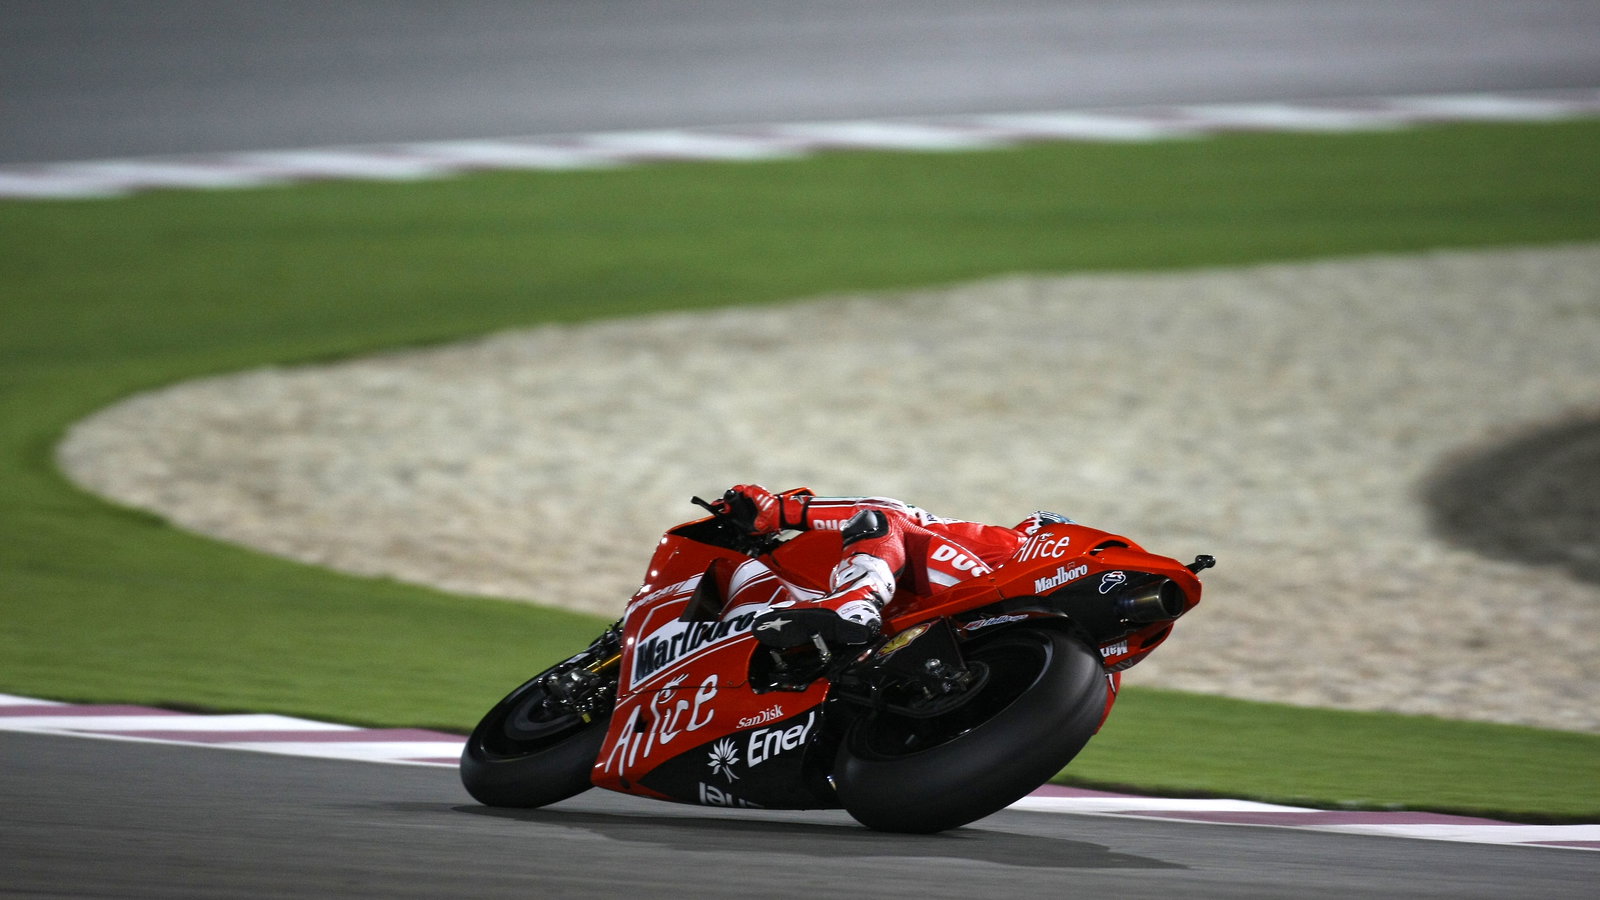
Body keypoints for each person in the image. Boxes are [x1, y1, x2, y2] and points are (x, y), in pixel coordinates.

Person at [716, 484, 1071, 649]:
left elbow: (903, 515)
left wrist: (779, 512)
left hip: (978, 595)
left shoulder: (1008, 542)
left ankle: (855, 602)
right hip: (998, 635)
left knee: (883, 517)